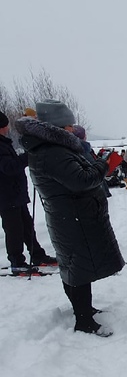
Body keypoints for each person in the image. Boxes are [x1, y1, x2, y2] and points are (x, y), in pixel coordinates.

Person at [16, 101, 124, 336]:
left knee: (75, 264)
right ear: (56, 126)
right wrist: (104, 165)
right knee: (79, 266)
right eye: (68, 125)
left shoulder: (52, 147)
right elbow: (81, 180)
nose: (72, 130)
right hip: (73, 217)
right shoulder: (52, 151)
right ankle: (83, 321)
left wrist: (100, 166)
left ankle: (85, 309)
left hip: (72, 216)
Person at [0, 110, 58, 272]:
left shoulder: (4, 143)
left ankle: (37, 254)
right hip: (7, 196)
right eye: (6, 125)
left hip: (15, 194)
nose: (8, 127)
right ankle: (17, 261)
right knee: (14, 230)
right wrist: (28, 157)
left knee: (26, 227)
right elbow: (8, 168)